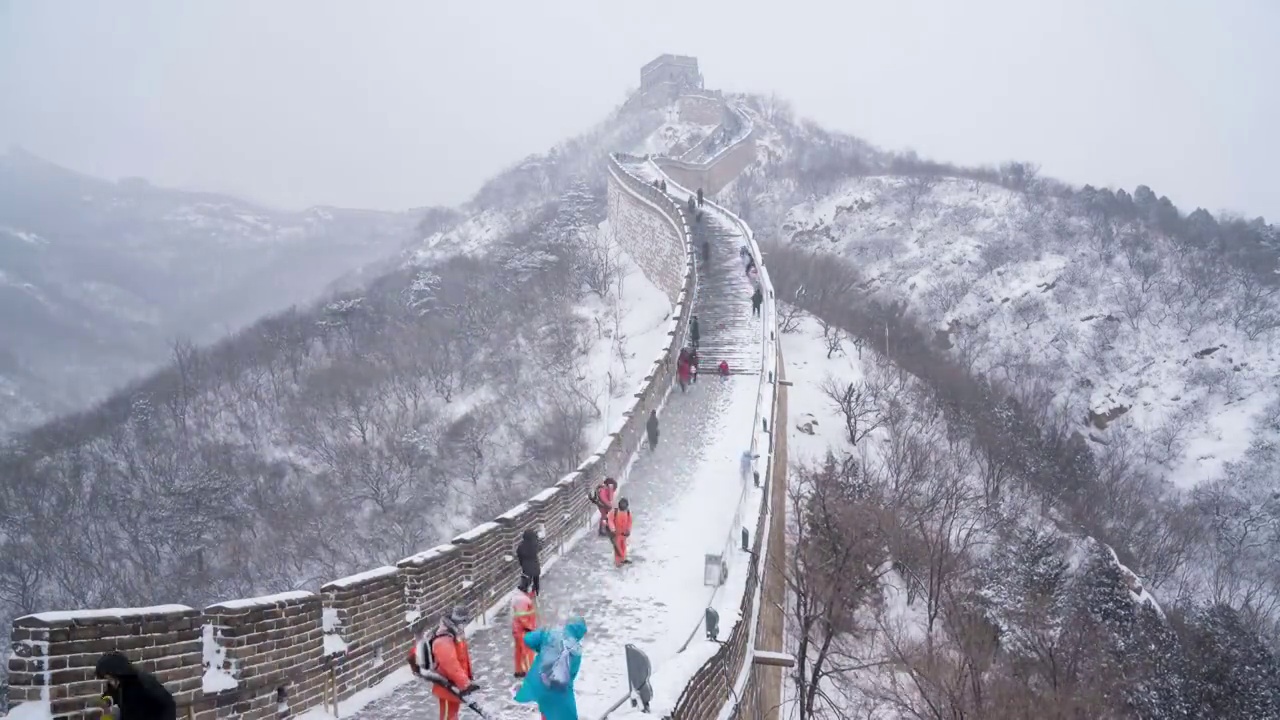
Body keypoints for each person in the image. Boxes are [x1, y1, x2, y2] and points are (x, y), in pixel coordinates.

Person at [409, 606, 477, 720]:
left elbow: (462, 658)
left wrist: (466, 681)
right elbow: (450, 665)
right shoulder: (444, 639)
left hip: (456, 684)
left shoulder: (456, 634)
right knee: (447, 717)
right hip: (447, 684)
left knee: (452, 715)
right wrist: (465, 684)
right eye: (465, 622)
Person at [514, 617, 589, 720]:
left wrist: (541, 647)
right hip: (561, 691)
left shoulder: (550, 634)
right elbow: (571, 675)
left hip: (542, 684)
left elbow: (528, 639)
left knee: (547, 712)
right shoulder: (576, 651)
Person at [94, 652, 177, 720]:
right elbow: (110, 696)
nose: (110, 682)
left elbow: (168, 704)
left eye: (110, 678)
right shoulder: (118, 684)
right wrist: (106, 701)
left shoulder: (143, 683)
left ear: (117, 673)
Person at [512, 576, 539, 678]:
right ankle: (530, 671)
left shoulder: (520, 597)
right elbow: (522, 616)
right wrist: (529, 627)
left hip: (517, 629)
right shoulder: (522, 600)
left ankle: (519, 670)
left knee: (519, 651)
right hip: (523, 629)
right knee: (527, 652)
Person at [607, 498, 634, 566]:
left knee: (623, 546)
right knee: (617, 547)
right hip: (616, 533)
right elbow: (610, 520)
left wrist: (628, 530)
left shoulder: (628, 513)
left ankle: (623, 559)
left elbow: (629, 522)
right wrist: (613, 529)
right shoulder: (614, 512)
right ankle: (618, 561)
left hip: (623, 534)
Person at [516, 528, 542, 597]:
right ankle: (536, 592)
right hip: (535, 567)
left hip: (526, 568)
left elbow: (519, 555)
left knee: (526, 581)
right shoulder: (535, 544)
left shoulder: (521, 546)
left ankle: (524, 593)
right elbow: (540, 547)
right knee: (536, 581)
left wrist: (522, 564)